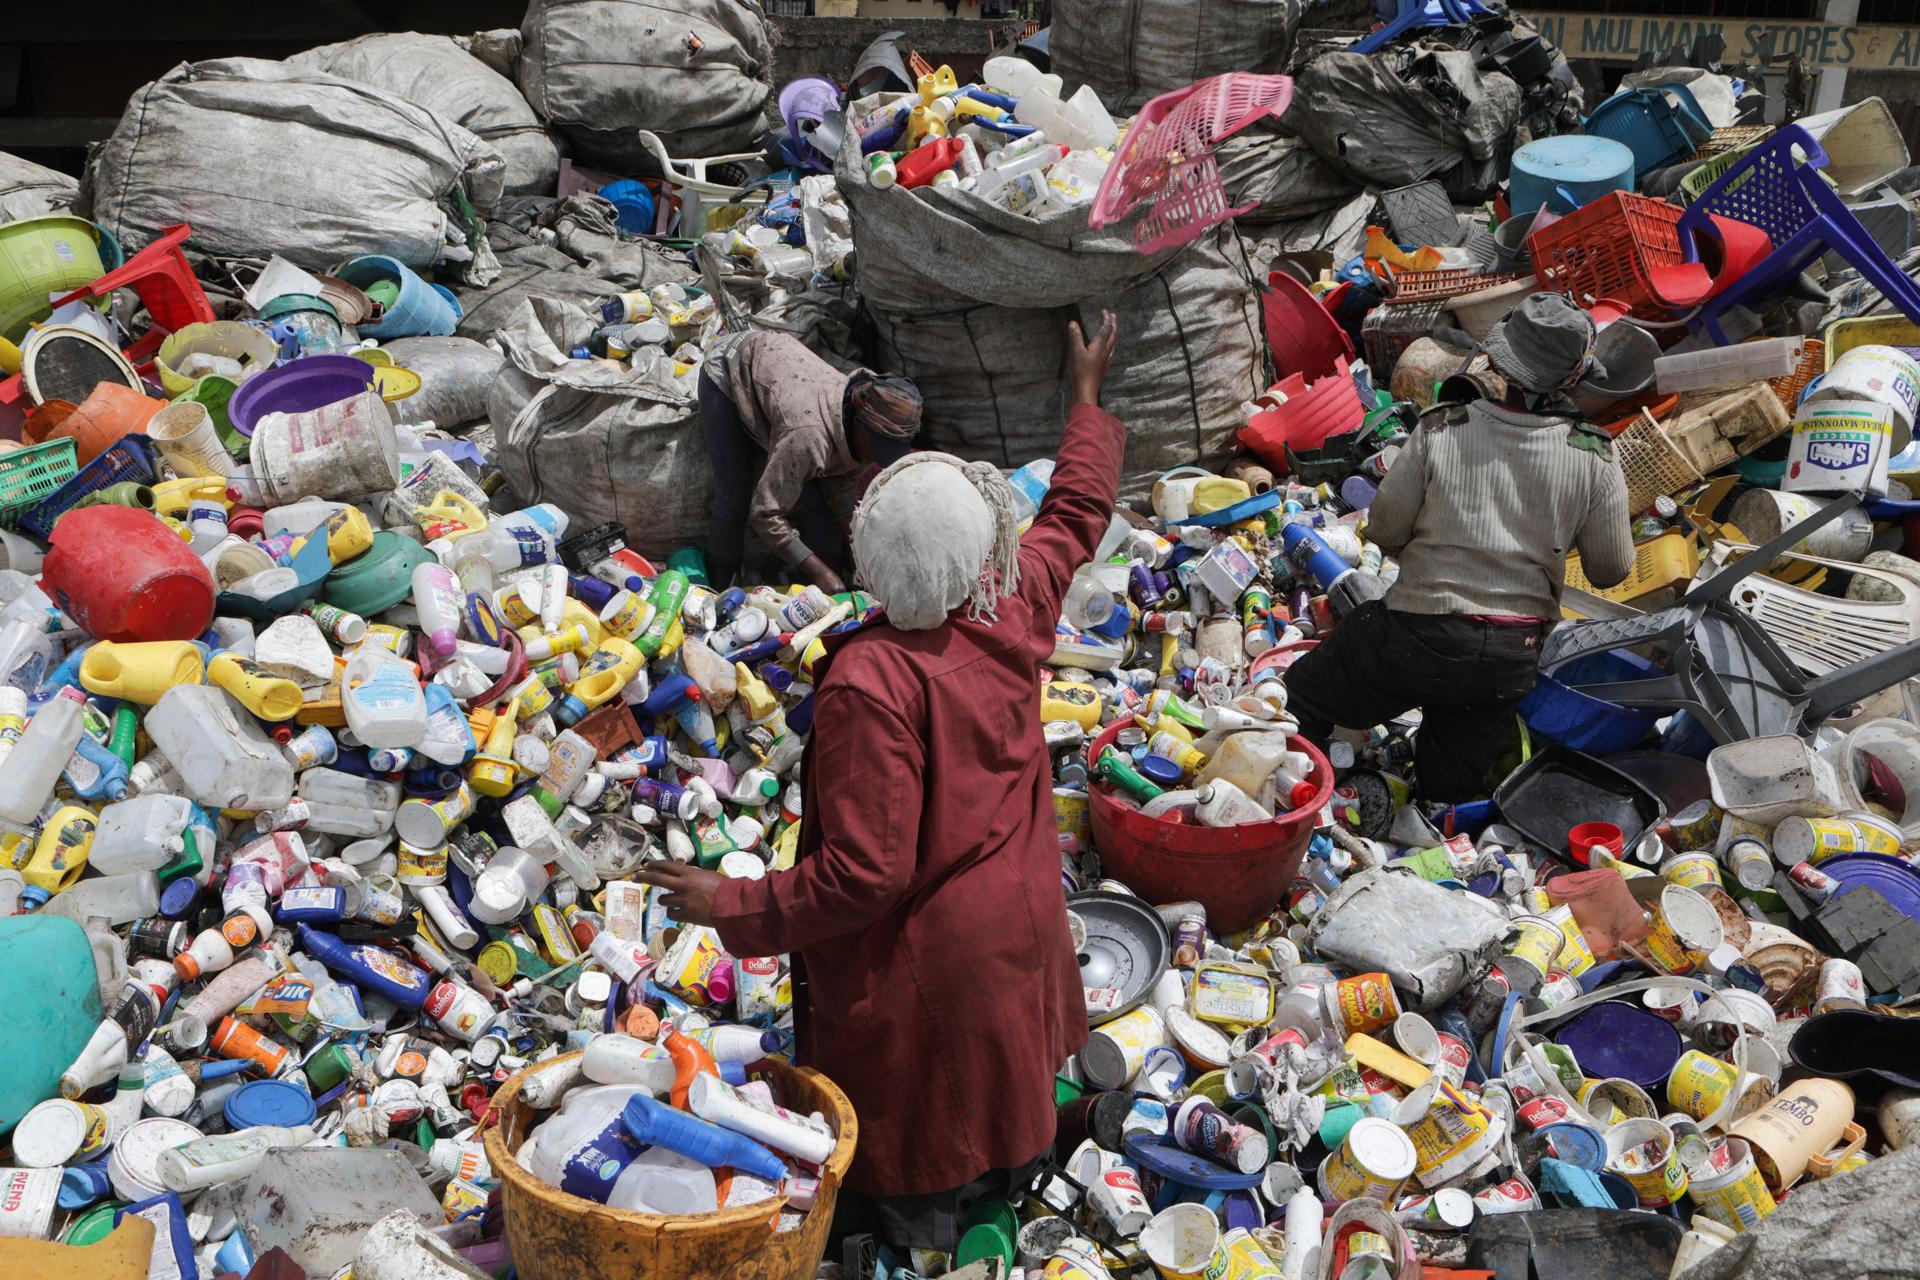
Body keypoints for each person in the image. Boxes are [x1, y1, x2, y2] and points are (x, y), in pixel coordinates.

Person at [640, 312, 1125, 1251]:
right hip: (1017, 910)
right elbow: (1075, 513)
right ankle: (1015, 1192)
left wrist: (731, 901)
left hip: (934, 953)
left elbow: (865, 874)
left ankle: (927, 1238)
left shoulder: (874, 681)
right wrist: (1087, 401)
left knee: (925, 1112)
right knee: (1000, 1075)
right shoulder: (1011, 604)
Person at [1283, 293, 1634, 801]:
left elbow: (1383, 530)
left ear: (1495, 359)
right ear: (1572, 379)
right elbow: (1609, 569)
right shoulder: (1594, 451)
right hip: (1510, 658)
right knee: (1449, 790)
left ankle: (1291, 804)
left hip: (1417, 637)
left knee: (1301, 700)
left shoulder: (1443, 426)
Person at [699, 329, 923, 591]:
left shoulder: (863, 426)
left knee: (820, 510)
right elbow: (764, 513)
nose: (875, 456)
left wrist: (859, 559)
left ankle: (818, 582)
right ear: (860, 425)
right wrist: (819, 572)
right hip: (731, 367)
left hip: (784, 372)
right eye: (877, 447)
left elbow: (839, 497)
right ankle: (719, 586)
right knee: (734, 496)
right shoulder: (807, 437)